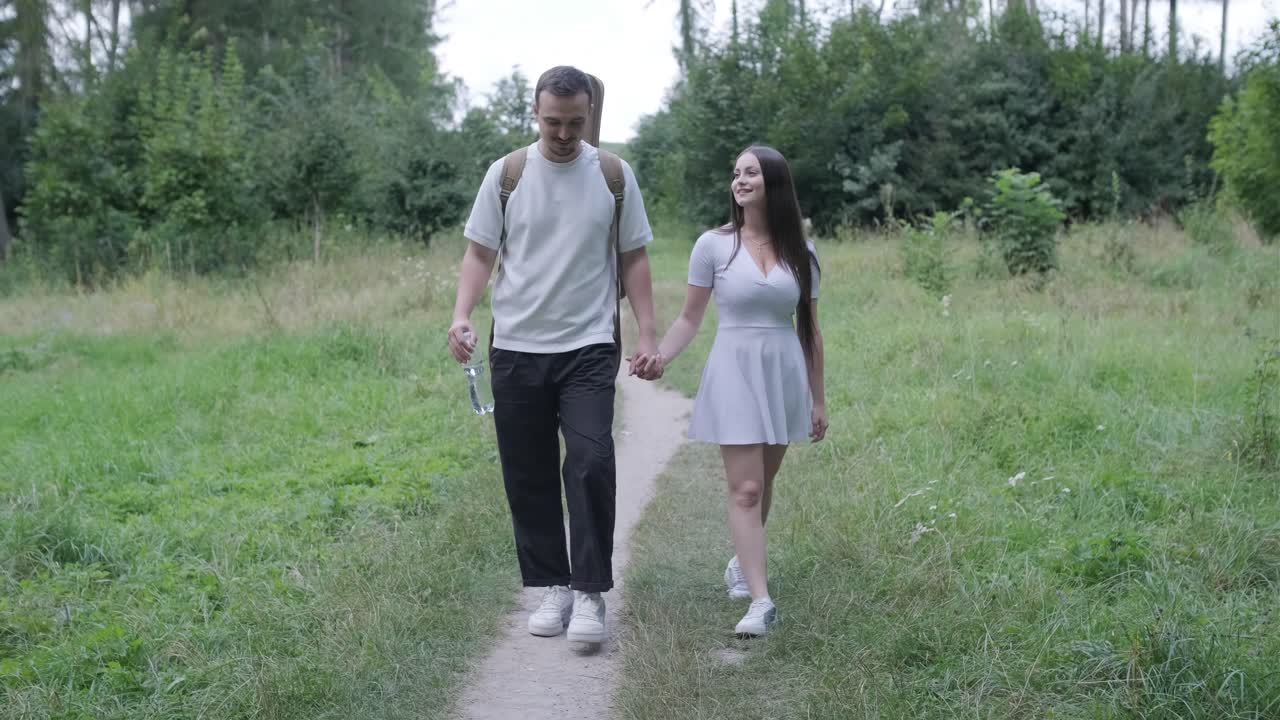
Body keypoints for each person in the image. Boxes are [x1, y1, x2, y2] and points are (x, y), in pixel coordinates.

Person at [446, 66, 659, 647]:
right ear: (535, 114)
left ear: (589, 115)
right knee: (529, 471)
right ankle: (552, 585)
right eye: (552, 122)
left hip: (588, 345)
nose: (564, 134)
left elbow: (634, 257)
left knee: (590, 461)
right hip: (516, 346)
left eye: (575, 123)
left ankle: (589, 592)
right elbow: (479, 253)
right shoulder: (507, 175)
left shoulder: (613, 175)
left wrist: (647, 334)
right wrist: (462, 314)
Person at [632, 145, 827, 637]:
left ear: (773, 183)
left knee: (764, 480)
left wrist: (818, 398)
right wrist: (660, 356)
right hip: (734, 370)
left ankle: (743, 562)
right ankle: (761, 601)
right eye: (736, 173)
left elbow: (809, 330)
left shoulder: (802, 252)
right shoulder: (713, 246)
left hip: (783, 372)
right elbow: (689, 318)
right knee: (746, 488)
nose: (739, 180)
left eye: (751, 173)